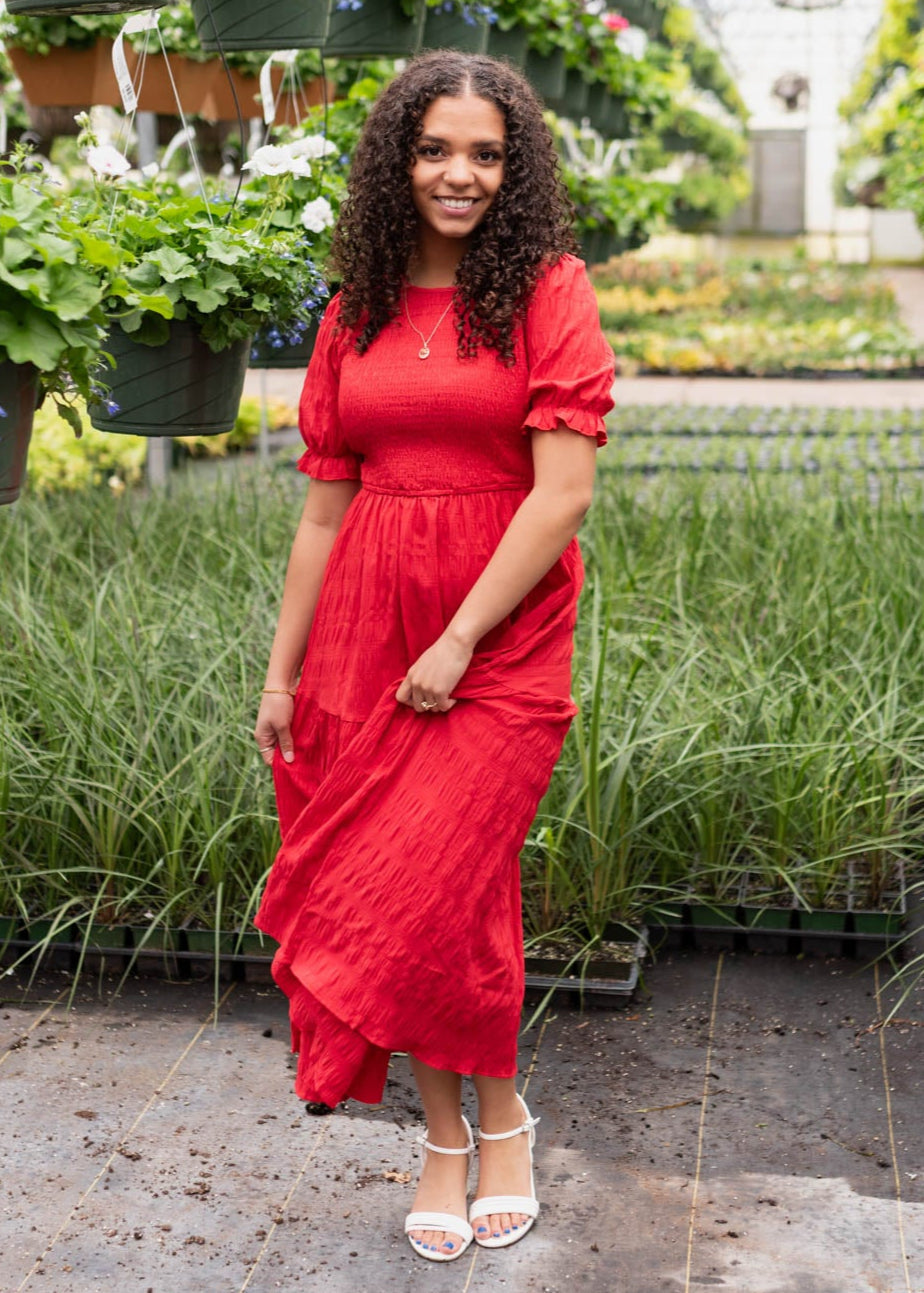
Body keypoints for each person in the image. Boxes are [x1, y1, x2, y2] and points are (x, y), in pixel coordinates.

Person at [253, 49, 615, 1263]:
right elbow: (320, 506)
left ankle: (501, 1116)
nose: (458, 173)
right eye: (434, 149)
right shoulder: (353, 304)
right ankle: (451, 1135)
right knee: (409, 894)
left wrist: (463, 637)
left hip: (499, 634)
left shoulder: (546, 288)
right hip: (365, 627)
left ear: (515, 170)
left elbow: (562, 494)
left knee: (443, 874)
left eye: (484, 153)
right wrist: (280, 673)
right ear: (397, 160)